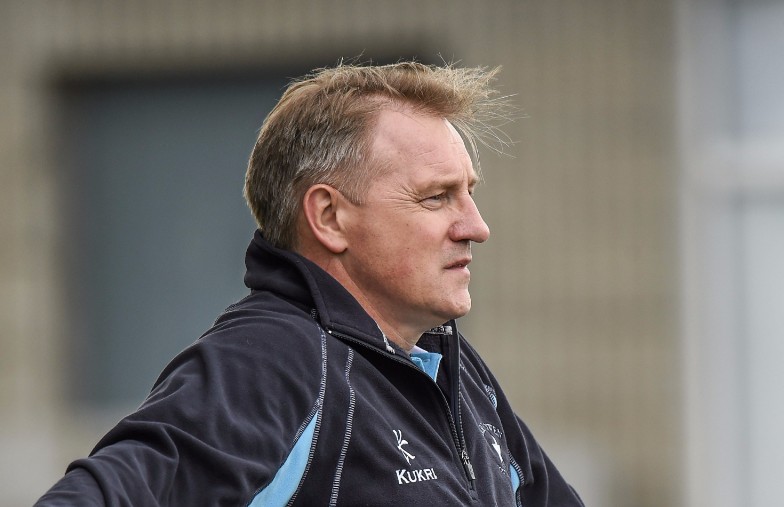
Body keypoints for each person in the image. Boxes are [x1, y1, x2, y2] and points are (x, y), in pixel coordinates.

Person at [36, 61, 583, 506]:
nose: (476, 227)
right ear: (328, 217)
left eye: (469, 193)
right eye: (436, 197)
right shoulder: (270, 363)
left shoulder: (453, 370)